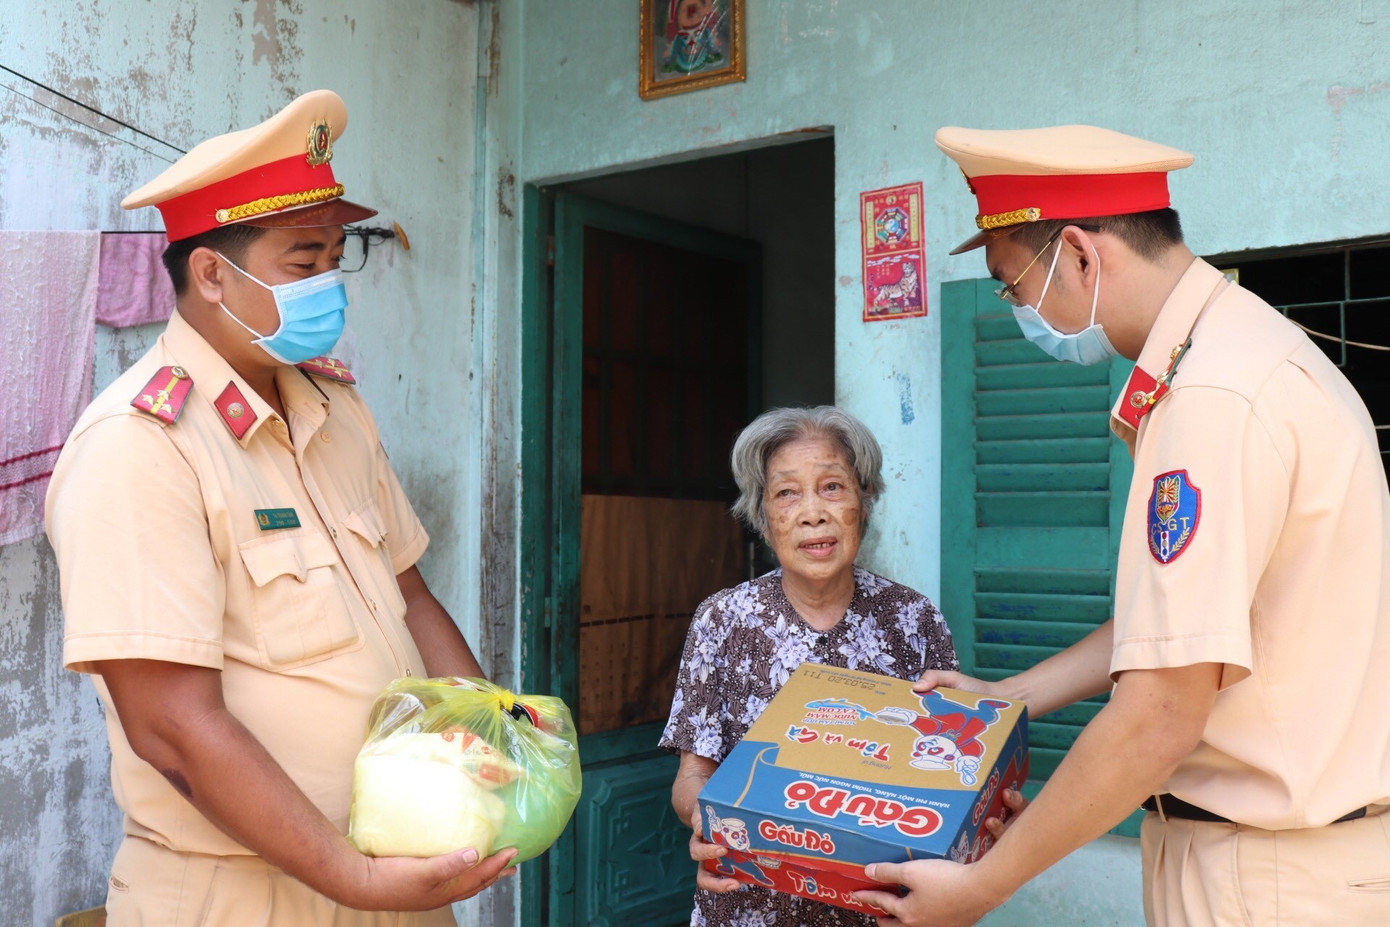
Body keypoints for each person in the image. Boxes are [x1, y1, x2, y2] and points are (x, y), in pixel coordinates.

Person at [853, 125, 1390, 926]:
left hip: (1268, 878)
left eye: (1011, 285)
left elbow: (1160, 713)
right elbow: (1177, 631)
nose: (1017, 312)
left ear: (1078, 254)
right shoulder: (1239, 354)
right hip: (1271, 859)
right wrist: (1008, 698)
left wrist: (982, 883)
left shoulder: (1212, 397)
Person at [45, 90, 516, 926]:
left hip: (396, 871)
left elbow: (409, 595)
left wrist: (494, 736)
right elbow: (173, 728)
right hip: (246, 896)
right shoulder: (140, 445)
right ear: (213, 273)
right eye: (304, 263)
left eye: (338, 257)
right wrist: (354, 879)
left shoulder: (336, 410)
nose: (329, 283)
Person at [660, 406, 1020, 926]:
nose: (812, 513)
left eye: (832, 487)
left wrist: (986, 814)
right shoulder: (722, 620)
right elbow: (693, 773)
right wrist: (707, 820)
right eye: (787, 493)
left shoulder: (912, 620)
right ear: (762, 513)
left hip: (881, 910)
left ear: (864, 501)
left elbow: (955, 767)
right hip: (746, 904)